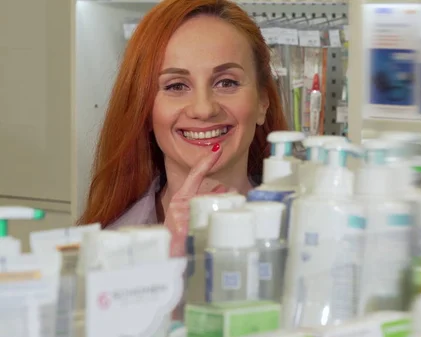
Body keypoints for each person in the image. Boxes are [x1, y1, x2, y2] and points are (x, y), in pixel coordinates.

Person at [78, 0, 288, 256]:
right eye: (176, 86)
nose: (203, 109)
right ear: (144, 110)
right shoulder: (101, 254)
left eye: (226, 82)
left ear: (262, 102)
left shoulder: (309, 233)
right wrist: (162, 262)